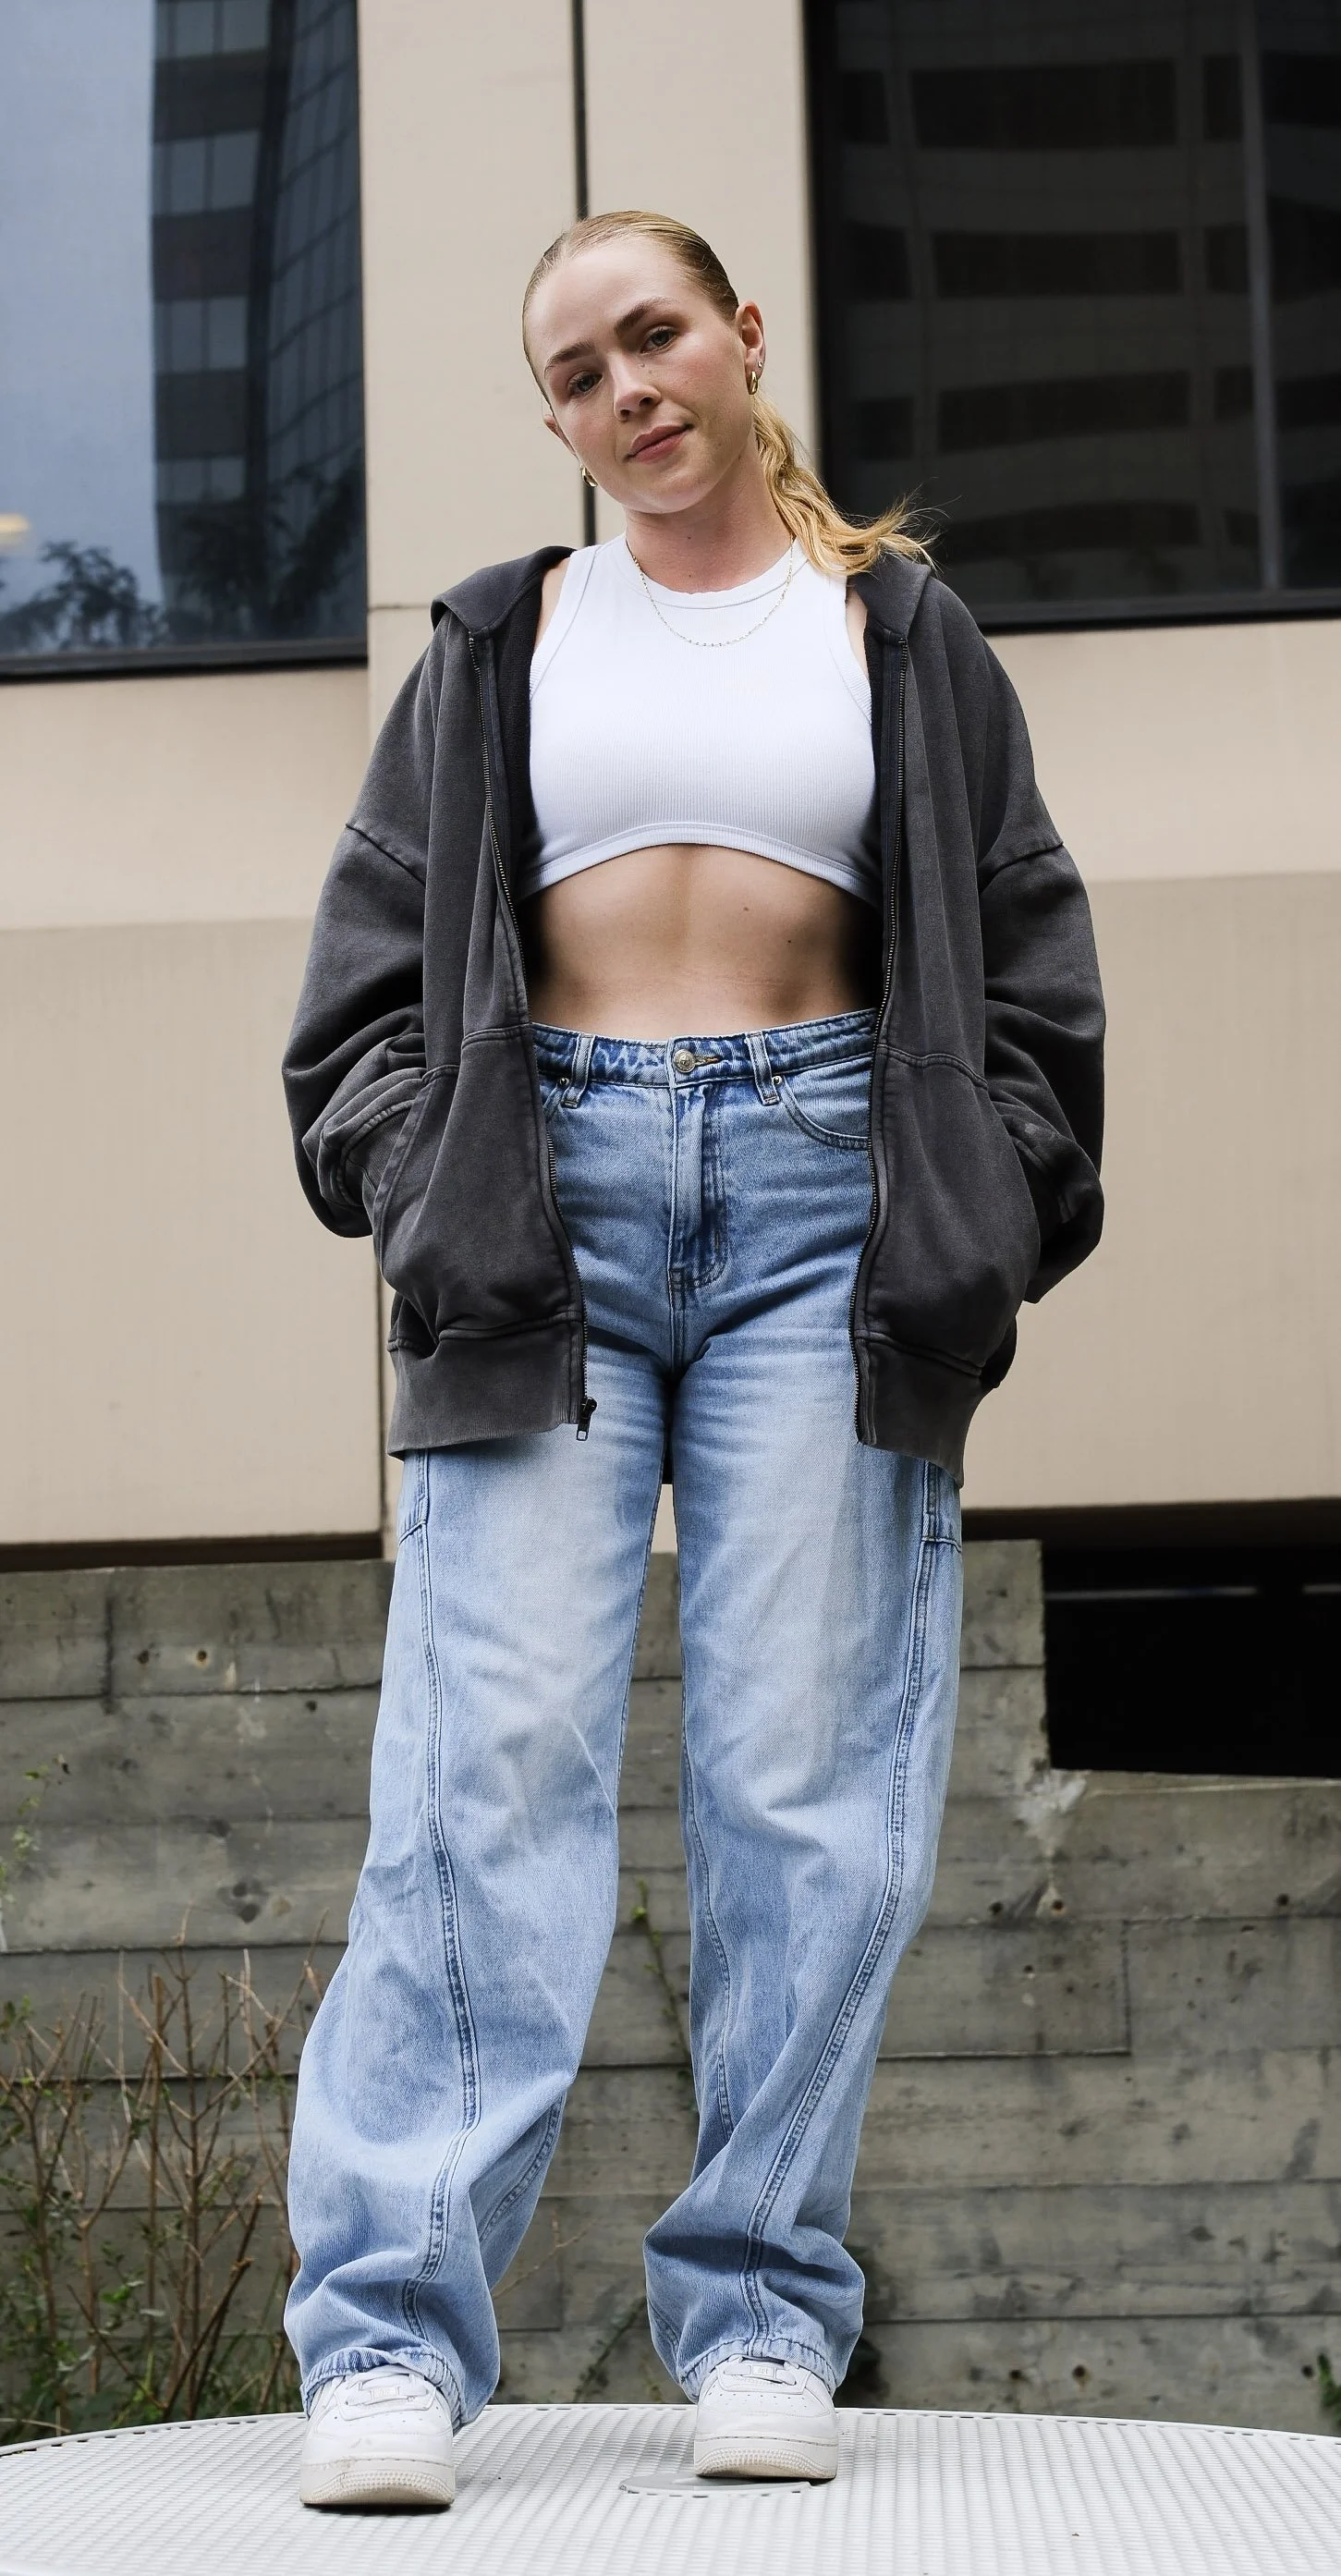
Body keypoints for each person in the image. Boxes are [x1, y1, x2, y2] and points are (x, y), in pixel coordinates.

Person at [280, 208, 1104, 2510]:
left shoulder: (902, 637)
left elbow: (1029, 961)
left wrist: (988, 1202)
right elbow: (360, 993)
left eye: (651, 334)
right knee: (486, 1765)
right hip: (542, 1212)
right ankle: (387, 2338)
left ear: (740, 336)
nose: (623, 386)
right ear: (553, 418)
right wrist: (431, 1177)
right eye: (573, 369)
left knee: (806, 1775)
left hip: (827, 1209)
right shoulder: (495, 641)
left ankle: (756, 2313)